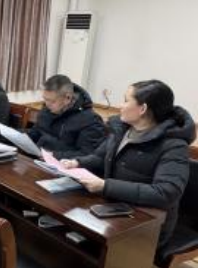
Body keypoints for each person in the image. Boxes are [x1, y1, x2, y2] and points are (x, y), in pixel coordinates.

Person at [62, 80, 196, 246]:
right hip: (112, 206)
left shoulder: (174, 145)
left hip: (147, 224)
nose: (120, 105)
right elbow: (100, 157)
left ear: (142, 109)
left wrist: (105, 186)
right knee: (66, 223)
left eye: (126, 100)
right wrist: (77, 162)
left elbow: (165, 193)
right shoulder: (123, 129)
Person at [28, 75, 106, 159]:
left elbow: (86, 154)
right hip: (38, 158)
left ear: (67, 98)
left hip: (60, 164)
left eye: (52, 101)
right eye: (45, 99)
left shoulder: (91, 120)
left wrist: (54, 155)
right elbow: (36, 132)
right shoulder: (48, 108)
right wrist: (20, 137)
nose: (47, 104)